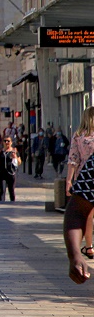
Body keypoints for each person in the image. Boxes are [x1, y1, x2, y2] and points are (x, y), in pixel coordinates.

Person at [66, 107, 94, 260]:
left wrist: (69, 181)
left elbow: (73, 160)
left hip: (85, 179)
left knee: (88, 214)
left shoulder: (78, 136)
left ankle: (89, 247)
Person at [0, 136, 21, 202]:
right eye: (5, 141)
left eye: (8, 141)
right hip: (2, 173)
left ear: (11, 142)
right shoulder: (0, 152)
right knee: (2, 191)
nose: (6, 142)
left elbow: (19, 162)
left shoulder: (14, 151)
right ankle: (2, 204)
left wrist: (15, 157)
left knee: (11, 190)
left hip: (11, 173)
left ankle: (12, 204)